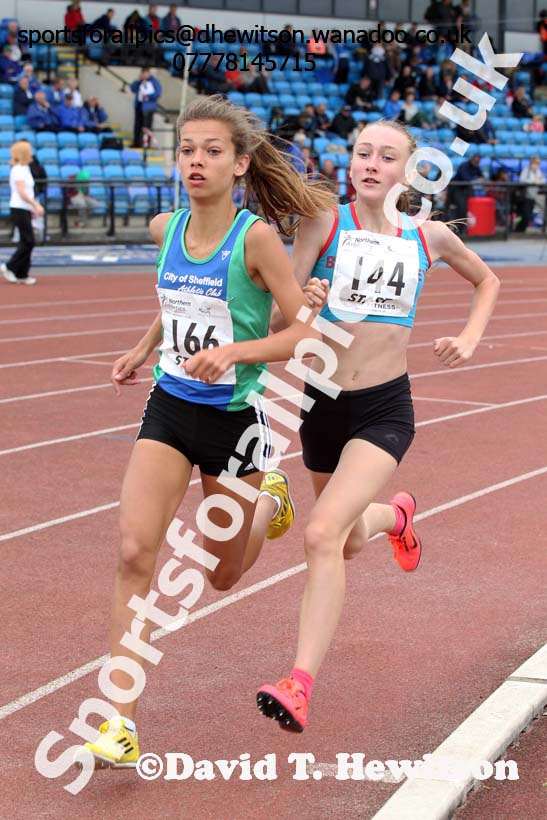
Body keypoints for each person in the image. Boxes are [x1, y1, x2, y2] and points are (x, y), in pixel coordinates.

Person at [81, 94, 335, 767]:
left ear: (240, 163)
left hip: (235, 423)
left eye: (211, 150)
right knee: (136, 552)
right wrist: (143, 349)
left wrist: (234, 354)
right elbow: (181, 301)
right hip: (169, 407)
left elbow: (302, 336)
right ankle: (119, 720)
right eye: (187, 149)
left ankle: (268, 501)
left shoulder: (254, 238)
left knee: (222, 576)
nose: (196, 160)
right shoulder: (165, 225)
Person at [257, 118, 500, 732]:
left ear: (409, 171)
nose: (370, 163)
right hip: (321, 405)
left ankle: (300, 683)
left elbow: (487, 279)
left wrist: (470, 336)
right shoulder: (322, 223)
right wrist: (305, 301)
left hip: (383, 408)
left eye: (387, 157)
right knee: (348, 541)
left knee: (319, 535)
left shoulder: (430, 236)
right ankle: (395, 516)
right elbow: (276, 329)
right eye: (362, 152)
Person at [1, 141, 44, 286]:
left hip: (24, 208)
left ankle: (22, 273)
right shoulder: (18, 169)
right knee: (28, 240)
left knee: (27, 241)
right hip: (19, 207)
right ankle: (10, 266)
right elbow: (21, 191)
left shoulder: (25, 168)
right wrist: (35, 204)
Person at [130, 68, 162, 148]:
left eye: (145, 73)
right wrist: (138, 81)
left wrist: (148, 95)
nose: (144, 75)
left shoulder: (154, 81)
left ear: (148, 73)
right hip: (139, 105)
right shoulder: (140, 82)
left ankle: (146, 144)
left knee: (147, 126)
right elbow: (133, 89)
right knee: (137, 125)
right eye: (142, 74)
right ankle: (136, 143)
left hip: (148, 106)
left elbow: (158, 94)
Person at [515, 156, 546, 232]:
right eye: (535, 164)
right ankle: (518, 229)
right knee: (525, 215)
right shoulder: (526, 170)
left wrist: (539, 181)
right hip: (525, 196)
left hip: (533, 196)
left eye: (537, 164)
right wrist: (533, 181)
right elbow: (522, 180)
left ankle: (521, 230)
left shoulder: (538, 171)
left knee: (528, 216)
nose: (536, 165)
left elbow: (543, 180)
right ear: (531, 163)